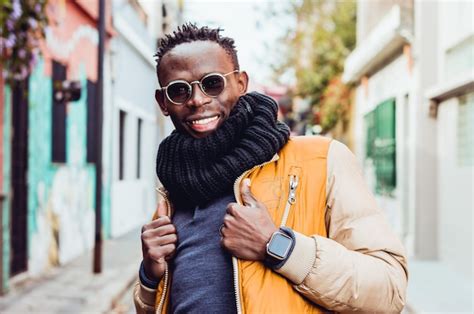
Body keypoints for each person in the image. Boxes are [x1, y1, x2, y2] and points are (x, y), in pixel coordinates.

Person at [134, 23, 408, 314]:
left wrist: (276, 245)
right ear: (163, 102)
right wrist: (150, 277)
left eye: (212, 83)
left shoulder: (321, 159)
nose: (197, 99)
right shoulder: (174, 189)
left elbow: (389, 290)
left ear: (240, 83)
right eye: (179, 90)